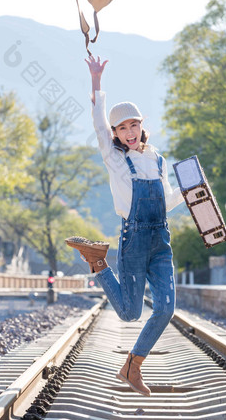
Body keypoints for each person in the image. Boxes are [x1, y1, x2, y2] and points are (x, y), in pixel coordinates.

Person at [65, 55, 184, 396]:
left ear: (141, 126)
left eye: (133, 125)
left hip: (161, 240)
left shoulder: (158, 159)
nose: (129, 133)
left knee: (165, 308)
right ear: (116, 134)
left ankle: (132, 366)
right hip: (132, 239)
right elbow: (98, 124)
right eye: (122, 128)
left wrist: (190, 194)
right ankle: (98, 262)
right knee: (130, 313)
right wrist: (96, 82)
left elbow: (165, 202)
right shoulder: (115, 158)